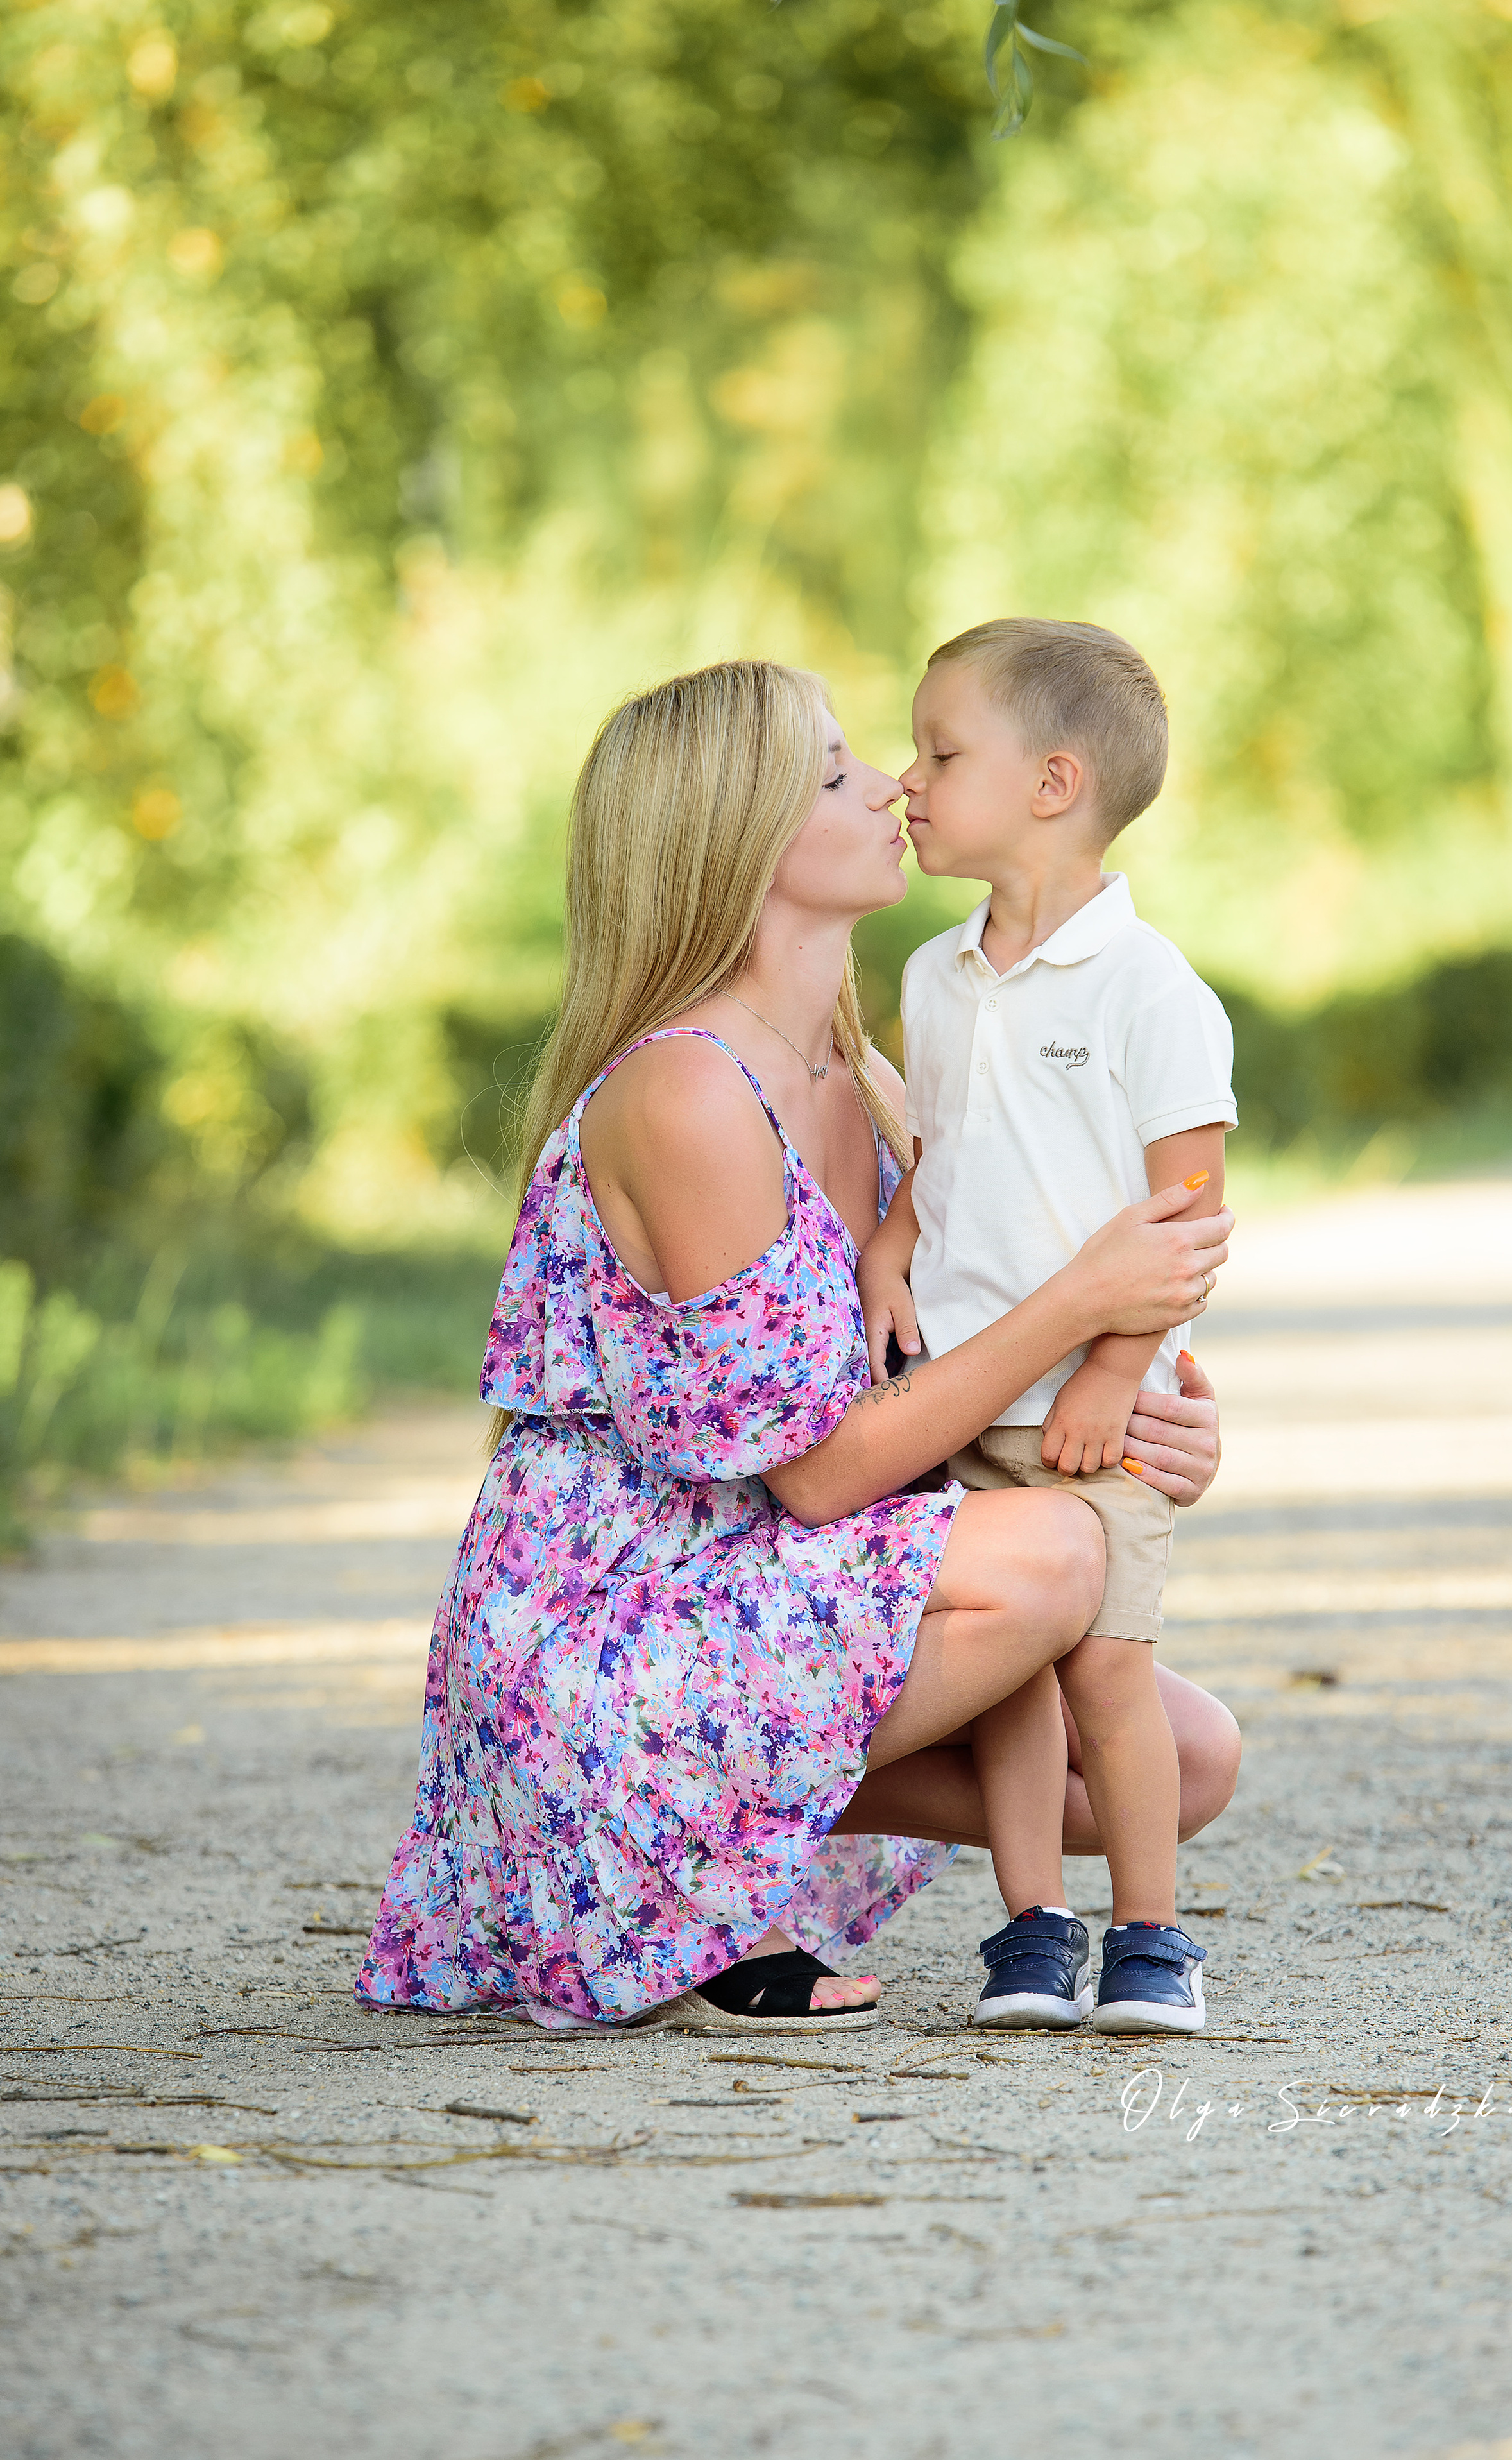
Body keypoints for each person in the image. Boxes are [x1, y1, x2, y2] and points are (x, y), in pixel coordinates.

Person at [355, 658, 1236, 2038]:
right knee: (1055, 1556)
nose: (891, 782)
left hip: (757, 1584)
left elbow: (934, 1355)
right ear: (743, 842)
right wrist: (1076, 1304)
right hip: (619, 1626)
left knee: (1180, 1759)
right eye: (837, 773)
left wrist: (1126, 1405)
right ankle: (650, 1848)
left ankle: (689, 1839)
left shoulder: (864, 1071)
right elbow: (821, 1478)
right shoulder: (686, 1092)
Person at [858, 619, 1236, 2037]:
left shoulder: (1152, 995)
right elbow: (938, 1158)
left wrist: (1120, 1374)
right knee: (1009, 1689)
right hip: (963, 1397)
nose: (907, 779)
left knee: (1109, 1678)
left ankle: (1152, 1939)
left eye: (941, 752)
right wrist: (895, 1248)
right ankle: (1029, 1930)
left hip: (1091, 1411)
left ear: (1053, 784)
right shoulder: (933, 978)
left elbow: (1187, 1219)